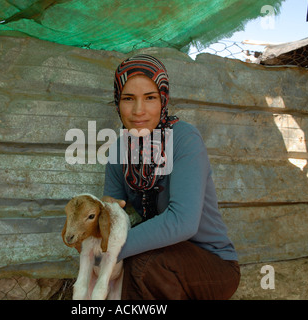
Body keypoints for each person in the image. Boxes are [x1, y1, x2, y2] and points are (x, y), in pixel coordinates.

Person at [102, 54, 240, 300]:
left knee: (143, 263)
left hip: (212, 266)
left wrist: (111, 249)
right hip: (158, 261)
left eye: (150, 98)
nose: (138, 111)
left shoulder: (185, 139)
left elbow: (183, 222)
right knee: (121, 272)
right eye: (128, 99)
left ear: (163, 99)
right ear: (117, 102)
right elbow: (110, 214)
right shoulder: (118, 151)